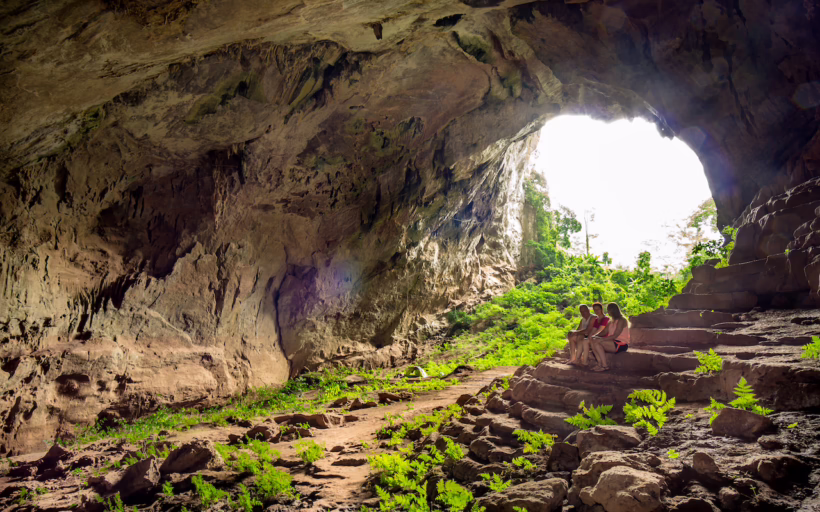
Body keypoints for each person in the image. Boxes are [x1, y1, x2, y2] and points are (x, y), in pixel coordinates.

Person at [588, 303, 630, 372]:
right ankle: (600, 364)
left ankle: (604, 366)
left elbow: (615, 335)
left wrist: (601, 339)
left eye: (609, 310)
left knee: (597, 342)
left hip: (621, 344)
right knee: (594, 340)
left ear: (613, 310)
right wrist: (594, 336)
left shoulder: (622, 320)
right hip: (612, 342)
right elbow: (604, 332)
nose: (608, 312)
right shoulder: (611, 321)